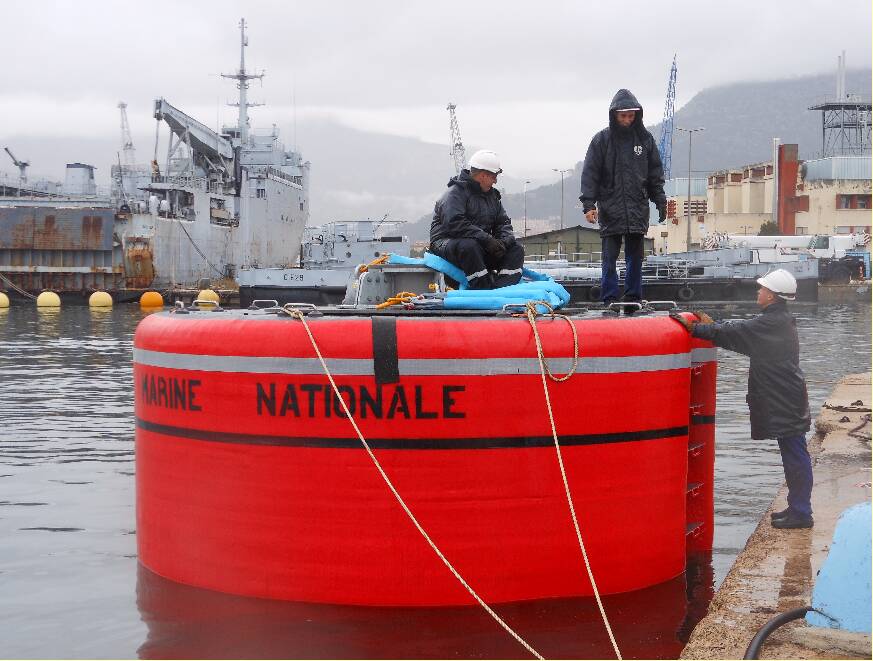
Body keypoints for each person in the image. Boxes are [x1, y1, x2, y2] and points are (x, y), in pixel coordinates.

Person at [673, 269, 814, 529]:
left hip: (785, 399)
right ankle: (797, 507)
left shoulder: (770, 323)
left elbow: (739, 331)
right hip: (787, 396)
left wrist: (697, 329)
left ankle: (802, 513)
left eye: (762, 289)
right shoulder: (777, 320)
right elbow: (740, 334)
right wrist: (712, 326)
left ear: (771, 296)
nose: (758, 292)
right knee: (793, 453)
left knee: (795, 455)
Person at [579, 88, 667, 310]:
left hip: (637, 208)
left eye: (631, 116)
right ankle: (609, 297)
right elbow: (590, 174)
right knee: (609, 258)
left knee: (635, 257)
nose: (627, 120)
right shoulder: (601, 141)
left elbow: (655, 174)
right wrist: (589, 204)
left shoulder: (645, 140)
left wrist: (660, 200)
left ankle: (633, 296)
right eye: (623, 116)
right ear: (614, 115)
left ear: (637, 115)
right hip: (610, 208)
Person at [430, 150, 524, 290]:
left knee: (516, 248)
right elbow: (455, 224)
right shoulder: (454, 194)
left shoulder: (492, 198)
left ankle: (502, 289)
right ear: (483, 175)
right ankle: (482, 289)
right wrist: (487, 240)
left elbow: (503, 223)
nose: (495, 181)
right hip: (447, 245)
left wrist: (502, 243)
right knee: (469, 246)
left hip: (478, 245)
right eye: (494, 177)